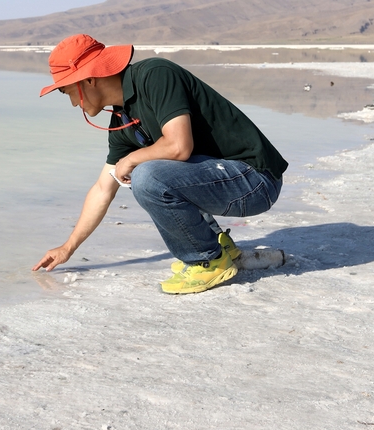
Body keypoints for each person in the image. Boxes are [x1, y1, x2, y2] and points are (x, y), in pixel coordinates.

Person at [32, 33, 288, 294]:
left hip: (255, 181)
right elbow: (102, 189)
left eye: (67, 92)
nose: (74, 103)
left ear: (88, 78)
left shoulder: (155, 75)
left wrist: (131, 158)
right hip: (223, 178)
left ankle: (207, 261)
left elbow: (179, 146)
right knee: (138, 172)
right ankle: (221, 249)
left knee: (146, 175)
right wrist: (68, 247)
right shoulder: (121, 120)